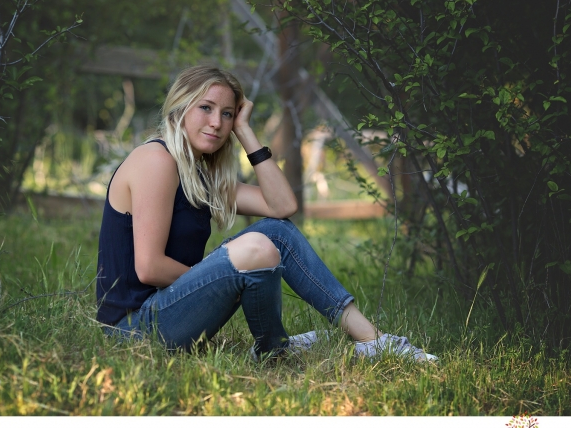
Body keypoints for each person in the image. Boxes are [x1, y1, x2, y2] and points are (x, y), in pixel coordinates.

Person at [96, 65, 437, 362]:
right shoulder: (156, 160)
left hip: (169, 313)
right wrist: (222, 273)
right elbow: (149, 267)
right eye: (205, 108)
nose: (216, 123)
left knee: (275, 232)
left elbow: (282, 207)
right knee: (255, 249)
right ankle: (276, 350)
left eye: (227, 114)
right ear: (179, 108)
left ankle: (369, 339)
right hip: (133, 330)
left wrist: (246, 132)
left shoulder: (199, 175)